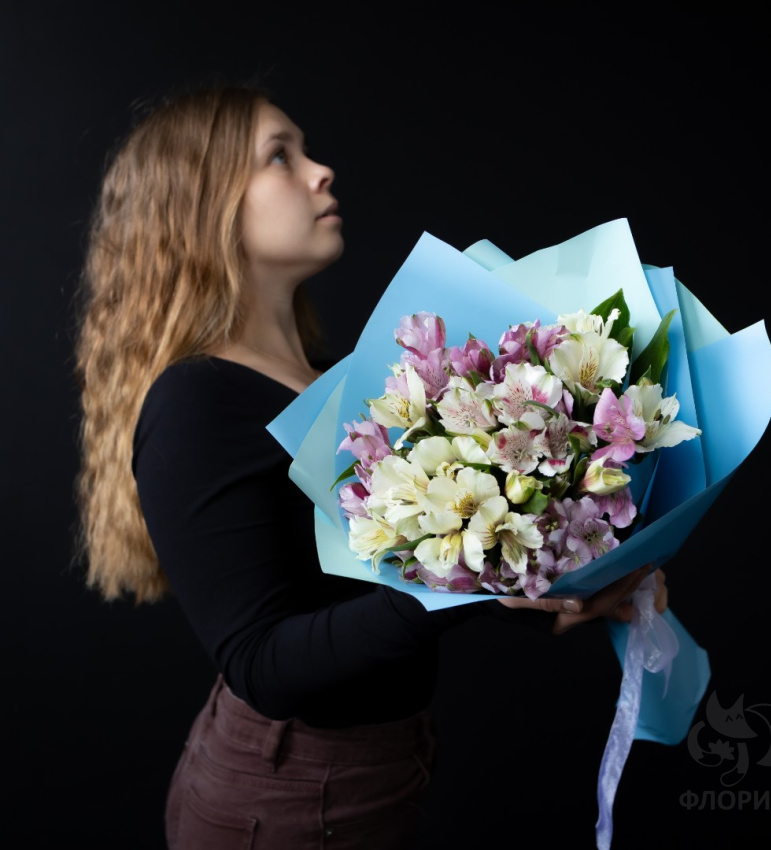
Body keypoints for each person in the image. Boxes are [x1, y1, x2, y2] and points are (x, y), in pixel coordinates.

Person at [72, 82, 667, 850]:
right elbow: (263, 664)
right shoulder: (195, 402)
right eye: (279, 157)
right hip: (282, 794)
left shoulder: (334, 381)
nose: (320, 171)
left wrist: (568, 576)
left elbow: (385, 583)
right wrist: (469, 581)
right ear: (202, 203)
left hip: (379, 769)